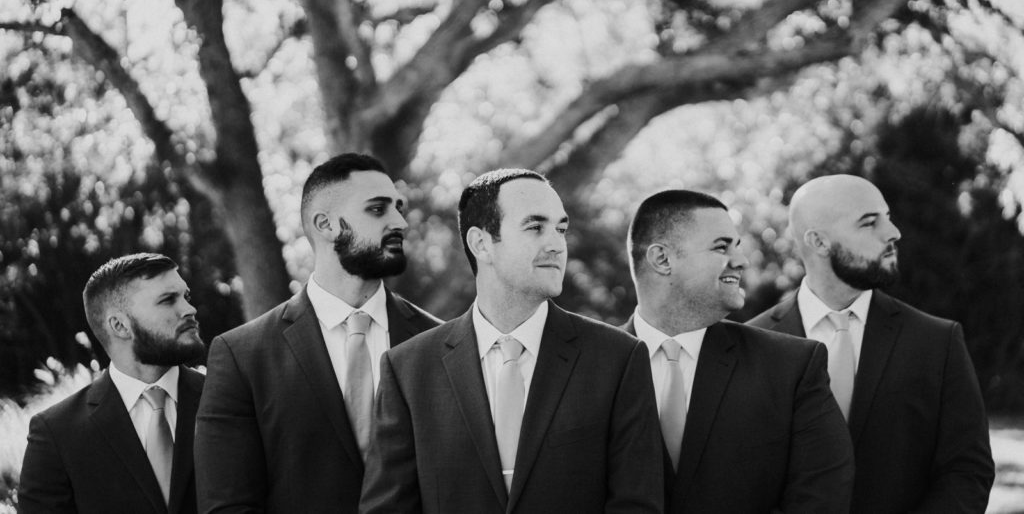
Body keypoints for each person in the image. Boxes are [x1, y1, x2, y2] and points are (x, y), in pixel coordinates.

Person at [359, 168, 663, 514]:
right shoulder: (408, 369)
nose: (556, 244)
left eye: (560, 229)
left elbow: (638, 504)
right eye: (535, 227)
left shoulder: (619, 359)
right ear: (481, 243)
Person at [194, 153, 440, 514]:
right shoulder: (241, 356)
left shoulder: (440, 343)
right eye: (377, 209)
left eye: (398, 208)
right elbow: (227, 505)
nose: (399, 222)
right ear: (325, 225)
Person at [748, 174, 995, 513]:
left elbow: (967, 470)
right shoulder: (751, 345)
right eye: (869, 223)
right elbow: (736, 477)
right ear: (819, 242)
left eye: (888, 218)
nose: (893, 233)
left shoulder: (937, 341)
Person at [623, 190, 853, 513]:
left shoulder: (793, 367)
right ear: (662, 259)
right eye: (721, 247)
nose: (741, 261)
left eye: (737, 246)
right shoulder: (590, 368)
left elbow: (822, 496)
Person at [18, 253, 206, 514]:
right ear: (119, 325)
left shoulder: (229, 398)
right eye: (167, 300)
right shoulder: (56, 434)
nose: (189, 309)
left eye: (185, 296)